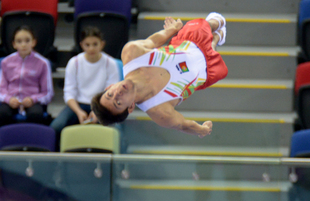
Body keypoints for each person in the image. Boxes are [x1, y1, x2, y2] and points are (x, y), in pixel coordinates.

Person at [91, 12, 228, 138]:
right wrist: (201, 130)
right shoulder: (160, 112)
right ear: (130, 107)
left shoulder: (131, 53)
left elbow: (154, 41)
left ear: (109, 87)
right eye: (118, 103)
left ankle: (215, 26)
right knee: (213, 46)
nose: (117, 94)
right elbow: (183, 124)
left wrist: (173, 29)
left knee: (210, 23)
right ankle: (216, 39)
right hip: (206, 70)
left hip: (188, 41)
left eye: (110, 94)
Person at [50, 26, 120, 150]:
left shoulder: (110, 63)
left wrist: (99, 111)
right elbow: (69, 94)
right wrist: (78, 111)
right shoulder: (74, 62)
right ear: (82, 45)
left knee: (116, 131)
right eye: (87, 45)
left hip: (102, 105)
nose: (91, 48)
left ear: (102, 44)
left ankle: (117, 165)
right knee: (56, 127)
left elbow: (111, 92)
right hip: (78, 105)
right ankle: (57, 161)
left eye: (95, 44)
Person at [0, 25, 54, 126]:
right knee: (2, 113)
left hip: (32, 100)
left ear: (33, 42)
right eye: (19, 41)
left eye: (27, 41)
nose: (23, 45)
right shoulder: (6, 62)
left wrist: (32, 99)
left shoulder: (43, 63)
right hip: (11, 99)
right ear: (14, 44)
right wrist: (9, 99)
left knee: (36, 114)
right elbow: (1, 89)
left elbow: (48, 93)